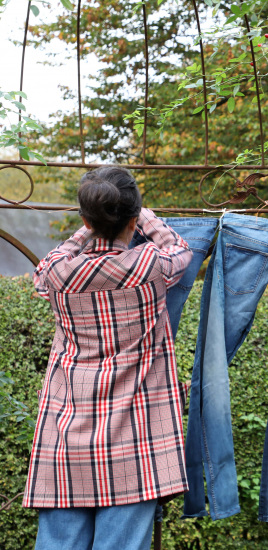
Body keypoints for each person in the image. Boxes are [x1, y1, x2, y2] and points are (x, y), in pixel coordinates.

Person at [23, 166, 193, 550]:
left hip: (65, 436)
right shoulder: (149, 264)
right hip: (137, 440)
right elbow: (181, 251)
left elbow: (45, 267)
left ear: (85, 217)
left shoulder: (59, 273)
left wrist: (90, 225)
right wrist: (143, 214)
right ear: (134, 219)